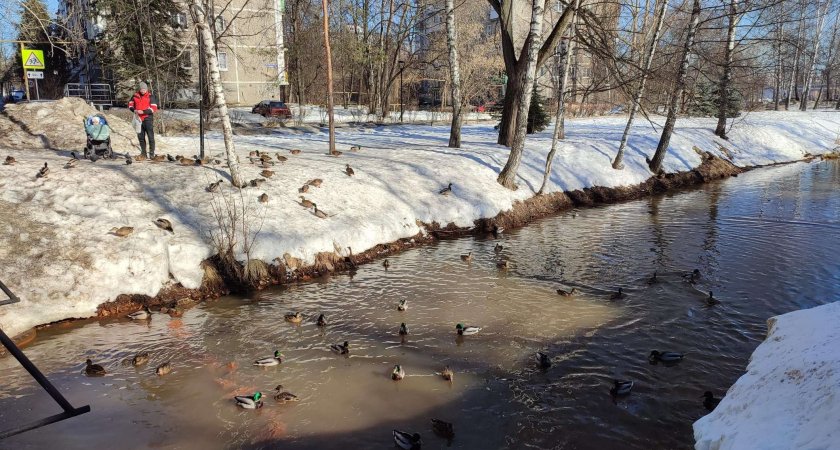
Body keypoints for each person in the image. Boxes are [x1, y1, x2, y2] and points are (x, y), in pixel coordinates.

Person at [128, 82, 159, 158]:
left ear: (146, 89)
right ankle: (143, 153)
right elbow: (130, 105)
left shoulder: (150, 96)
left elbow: (154, 108)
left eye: (144, 89)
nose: (143, 90)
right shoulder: (135, 96)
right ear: (140, 89)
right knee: (141, 137)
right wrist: (134, 110)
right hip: (138, 119)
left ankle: (151, 154)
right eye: (142, 89)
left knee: (150, 136)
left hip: (148, 118)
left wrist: (144, 112)